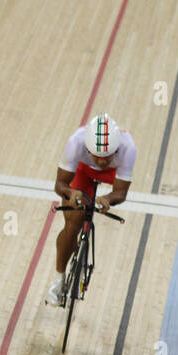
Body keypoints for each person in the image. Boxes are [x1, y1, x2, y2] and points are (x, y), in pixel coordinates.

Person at [45, 113, 136, 305]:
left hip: (113, 175)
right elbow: (60, 184)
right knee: (73, 222)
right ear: (87, 147)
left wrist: (108, 199)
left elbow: (121, 192)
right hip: (83, 171)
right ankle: (58, 280)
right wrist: (71, 193)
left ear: (116, 149)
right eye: (97, 155)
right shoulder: (76, 142)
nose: (102, 161)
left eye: (107, 156)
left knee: (101, 195)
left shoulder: (128, 148)